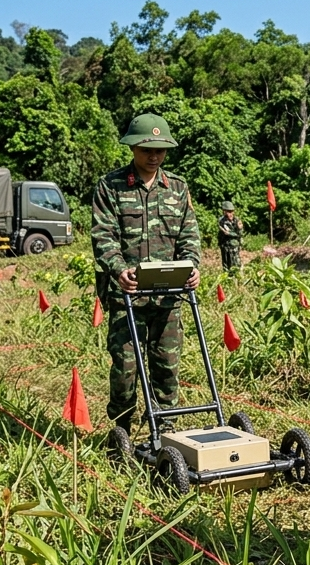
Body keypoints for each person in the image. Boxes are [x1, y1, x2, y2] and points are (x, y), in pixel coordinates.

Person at [91, 113, 201, 436]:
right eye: (146, 150)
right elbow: (103, 236)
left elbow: (189, 236)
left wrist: (192, 267)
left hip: (169, 297)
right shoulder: (110, 187)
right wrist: (118, 270)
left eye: (160, 150)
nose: (154, 157)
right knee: (125, 370)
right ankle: (121, 429)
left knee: (167, 366)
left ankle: (165, 430)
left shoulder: (178, 189)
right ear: (133, 148)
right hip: (128, 297)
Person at [218, 200, 244, 270]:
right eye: (228, 211)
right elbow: (223, 231)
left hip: (234, 246)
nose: (231, 214)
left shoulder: (237, 220)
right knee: (226, 265)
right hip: (225, 246)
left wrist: (230, 233)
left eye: (232, 211)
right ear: (224, 212)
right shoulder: (222, 221)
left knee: (236, 265)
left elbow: (240, 233)